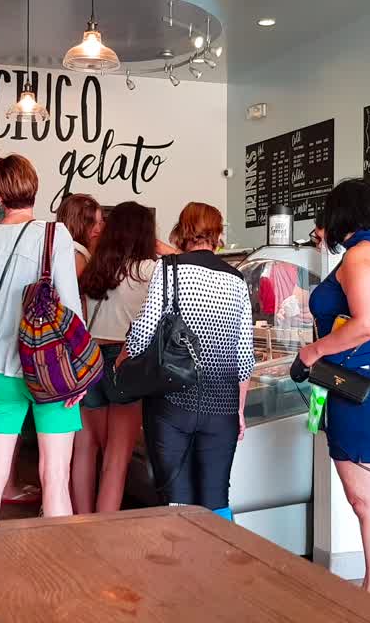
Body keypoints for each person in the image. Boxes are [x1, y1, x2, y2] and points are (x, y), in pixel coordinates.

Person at [296, 179, 370, 599]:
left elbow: (367, 324)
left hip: (362, 388)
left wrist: (312, 351)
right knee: (369, 496)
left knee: (368, 499)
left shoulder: (361, 255)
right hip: (364, 384)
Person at [0, 154, 85, 522]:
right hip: (49, 371)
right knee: (55, 477)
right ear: (35, 188)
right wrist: (77, 371)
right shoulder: (55, 235)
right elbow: (71, 308)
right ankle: (57, 571)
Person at [127, 202, 254, 521]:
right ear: (218, 234)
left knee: (176, 500)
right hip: (222, 406)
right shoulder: (237, 280)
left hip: (171, 403)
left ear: (182, 231)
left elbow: (140, 336)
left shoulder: (168, 270)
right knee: (216, 497)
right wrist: (238, 410)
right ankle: (220, 565)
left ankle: (181, 568)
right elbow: (244, 358)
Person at [73, 202, 157, 514]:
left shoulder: (95, 267)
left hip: (90, 356)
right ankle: (104, 527)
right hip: (126, 360)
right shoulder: (149, 269)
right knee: (116, 457)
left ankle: (80, 521)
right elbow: (190, 264)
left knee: (85, 448)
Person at [55, 193, 103, 277]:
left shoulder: (58, 246)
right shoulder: (77, 256)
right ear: (76, 222)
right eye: (92, 223)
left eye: (99, 223)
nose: (98, 230)